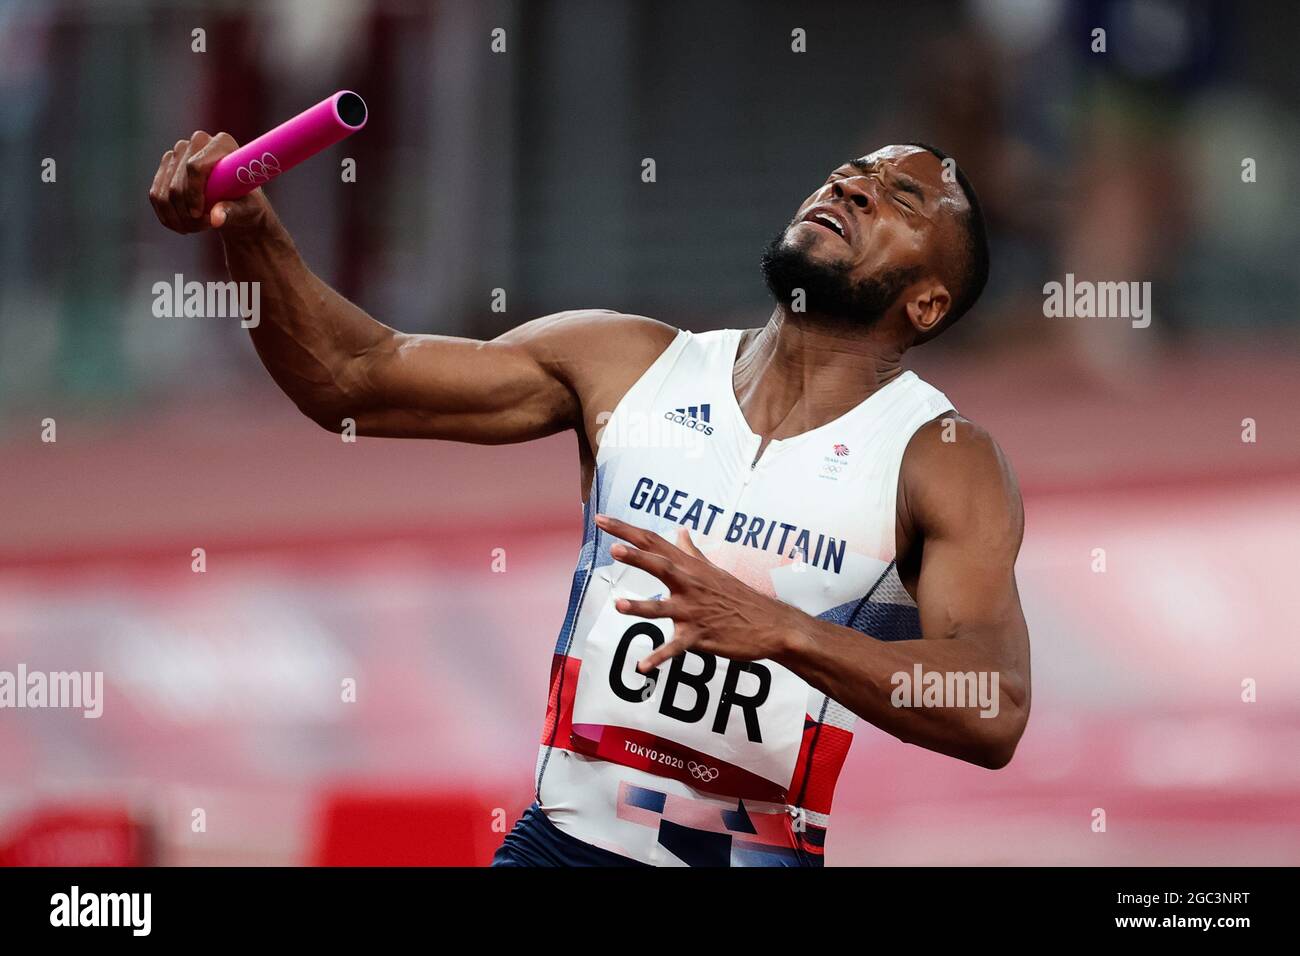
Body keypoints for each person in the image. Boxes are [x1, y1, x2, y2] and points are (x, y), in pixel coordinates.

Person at [150, 137, 1030, 867]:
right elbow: (352, 378)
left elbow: (994, 709)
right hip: (560, 850)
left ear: (926, 301)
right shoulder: (628, 365)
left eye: (899, 198)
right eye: (853, 171)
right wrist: (251, 230)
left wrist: (784, 630)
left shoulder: (942, 461)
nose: (853, 186)